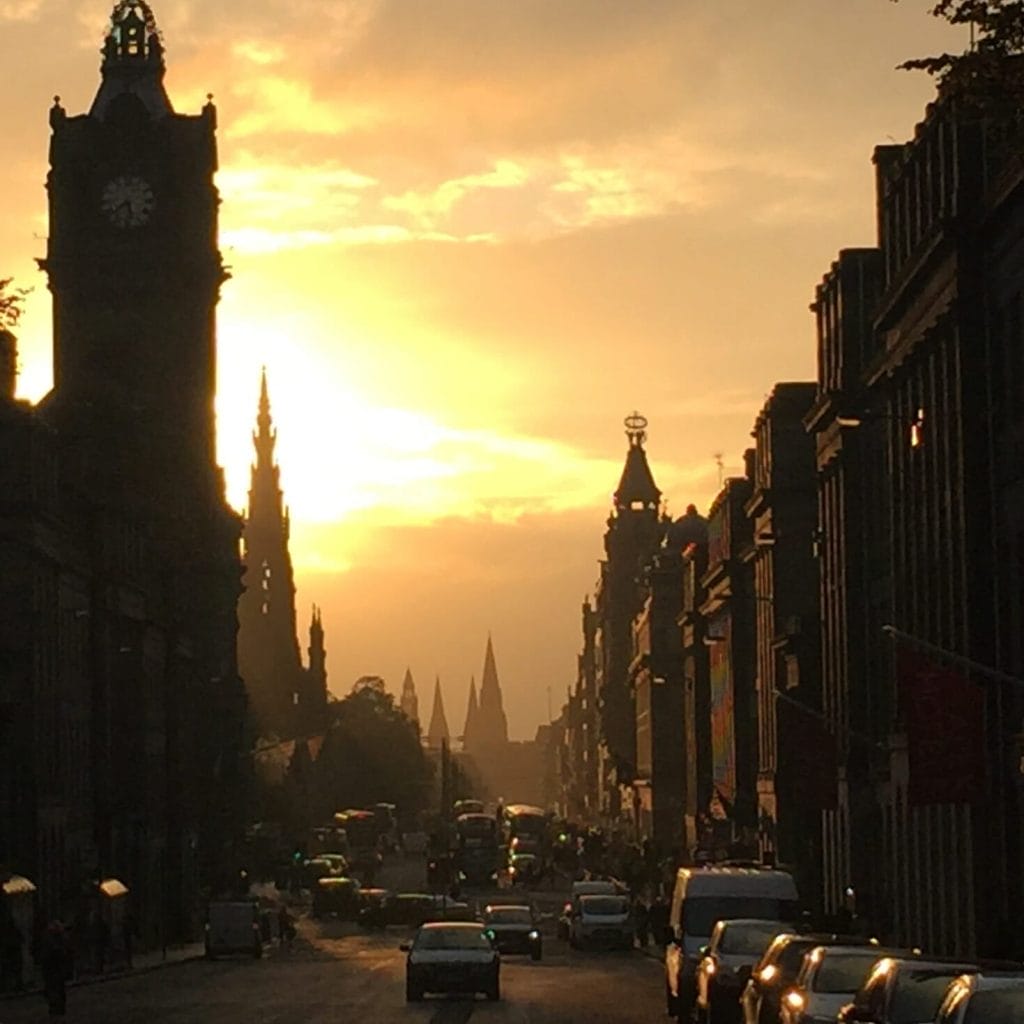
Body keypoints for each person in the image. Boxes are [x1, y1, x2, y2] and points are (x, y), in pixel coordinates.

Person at [38, 921, 72, 1018]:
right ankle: (56, 1009)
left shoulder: (55, 939)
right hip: (53, 969)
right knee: (55, 990)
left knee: (56, 990)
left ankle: (57, 1009)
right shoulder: (52, 940)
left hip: (54, 969)